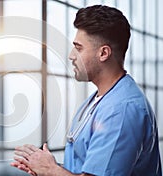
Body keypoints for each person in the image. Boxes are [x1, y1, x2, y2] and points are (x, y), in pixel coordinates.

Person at [11, 5, 162, 176]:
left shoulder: (121, 110)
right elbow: (85, 166)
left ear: (103, 53)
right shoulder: (100, 99)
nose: (71, 56)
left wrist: (51, 170)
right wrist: (44, 167)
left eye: (79, 48)